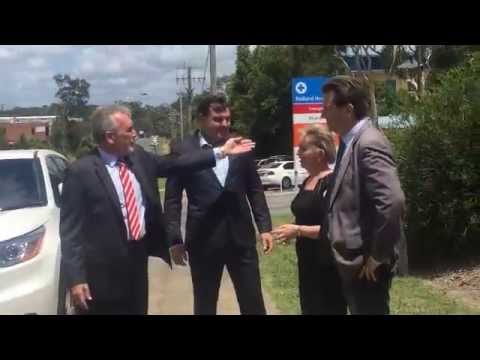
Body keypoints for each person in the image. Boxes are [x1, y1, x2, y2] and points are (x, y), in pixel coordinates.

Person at [60, 104, 254, 315]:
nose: (135, 134)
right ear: (109, 137)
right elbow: (71, 232)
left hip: (137, 261)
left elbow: (176, 163)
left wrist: (220, 152)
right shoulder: (80, 172)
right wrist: (76, 278)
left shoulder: (139, 158)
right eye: (129, 130)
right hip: (102, 273)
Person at [164, 94, 274, 315]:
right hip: (203, 240)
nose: (224, 124)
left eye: (227, 119)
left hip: (241, 238)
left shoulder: (242, 146)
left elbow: (255, 189)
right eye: (217, 119)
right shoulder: (184, 150)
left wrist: (265, 228)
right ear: (201, 119)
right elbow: (173, 198)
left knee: (253, 300)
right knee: (205, 303)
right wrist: (174, 239)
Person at [321, 76, 406, 315]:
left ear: (348, 110)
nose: (322, 115)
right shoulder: (350, 142)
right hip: (350, 263)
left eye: (326, 108)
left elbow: (392, 202)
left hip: (365, 266)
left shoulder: (368, 143)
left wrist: (378, 256)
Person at [272, 125, 346, 314]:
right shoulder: (307, 181)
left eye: (304, 149)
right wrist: (291, 230)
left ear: (320, 153)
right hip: (307, 262)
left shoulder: (332, 182)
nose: (298, 153)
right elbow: (304, 214)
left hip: (328, 265)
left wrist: (297, 230)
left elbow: (334, 228)